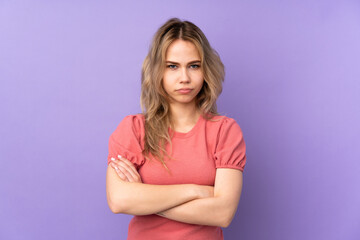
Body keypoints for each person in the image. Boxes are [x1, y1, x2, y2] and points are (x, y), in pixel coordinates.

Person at [106, 17, 247, 240]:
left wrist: (145, 199)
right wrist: (196, 191)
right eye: (172, 66)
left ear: (205, 70)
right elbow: (119, 200)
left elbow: (223, 213)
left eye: (194, 66)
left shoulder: (225, 131)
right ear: (157, 71)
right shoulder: (133, 129)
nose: (184, 78)